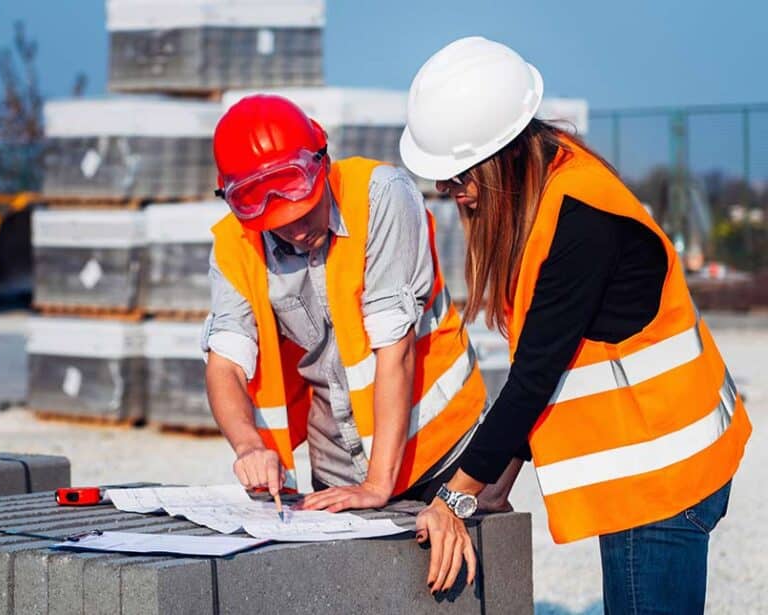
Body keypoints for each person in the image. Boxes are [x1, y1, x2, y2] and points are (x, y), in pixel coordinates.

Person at [400, 36, 751, 611]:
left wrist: (456, 498)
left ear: (499, 157)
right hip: (654, 464)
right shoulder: (551, 187)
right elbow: (555, 363)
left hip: (663, 478)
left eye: (458, 176)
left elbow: (535, 376)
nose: (449, 193)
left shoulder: (580, 221)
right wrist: (494, 486)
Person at [203, 94, 505, 520]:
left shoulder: (382, 198)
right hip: (339, 467)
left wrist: (379, 484)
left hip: (441, 449)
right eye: (277, 222)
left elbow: (394, 348)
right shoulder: (234, 247)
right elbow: (226, 366)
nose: (295, 228)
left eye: (303, 208)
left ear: (321, 162)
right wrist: (250, 446)